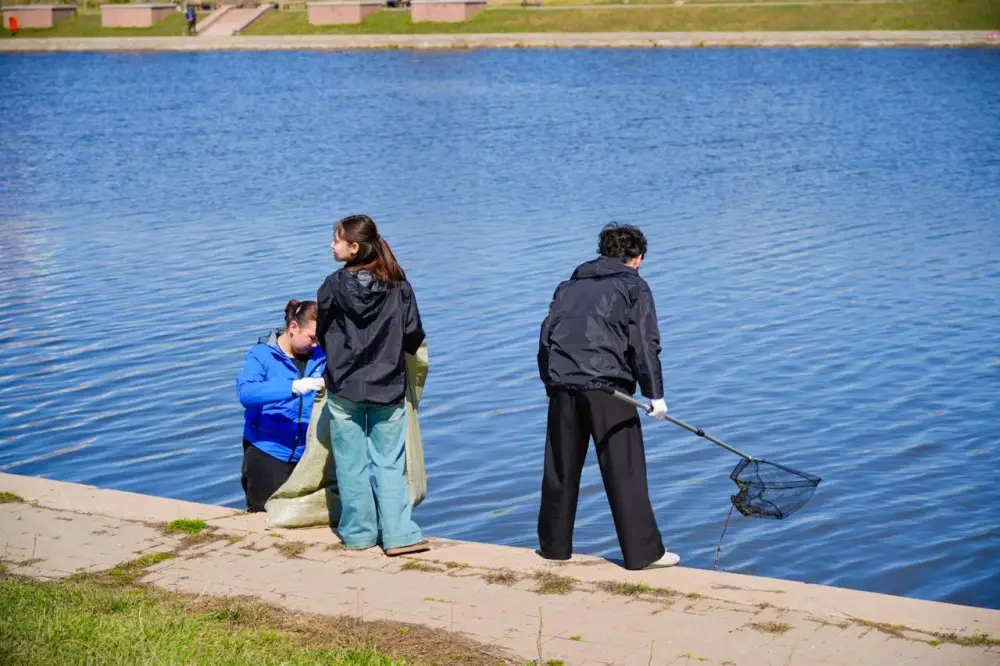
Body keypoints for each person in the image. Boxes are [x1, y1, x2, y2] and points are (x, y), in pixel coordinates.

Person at [536, 222, 679, 571]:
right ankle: (643, 554)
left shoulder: (567, 287)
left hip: (564, 386)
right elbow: (645, 343)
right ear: (636, 257)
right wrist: (655, 395)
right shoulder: (634, 286)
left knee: (560, 469)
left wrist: (551, 384)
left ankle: (554, 548)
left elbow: (546, 339)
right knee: (623, 469)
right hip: (609, 390)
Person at [317, 214, 429, 556]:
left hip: (345, 386)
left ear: (353, 248)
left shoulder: (332, 286)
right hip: (387, 386)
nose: (330, 245)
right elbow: (413, 336)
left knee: (351, 464)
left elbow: (322, 334)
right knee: (390, 463)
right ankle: (399, 536)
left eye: (335, 239)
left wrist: (340, 356)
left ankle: (359, 534)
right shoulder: (399, 286)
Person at [237, 300, 326, 512]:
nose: (315, 344)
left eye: (320, 339)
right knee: (263, 518)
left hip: (310, 455)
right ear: (293, 327)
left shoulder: (322, 355)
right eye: (312, 338)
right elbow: (246, 393)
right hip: (268, 452)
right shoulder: (261, 355)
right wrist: (293, 387)